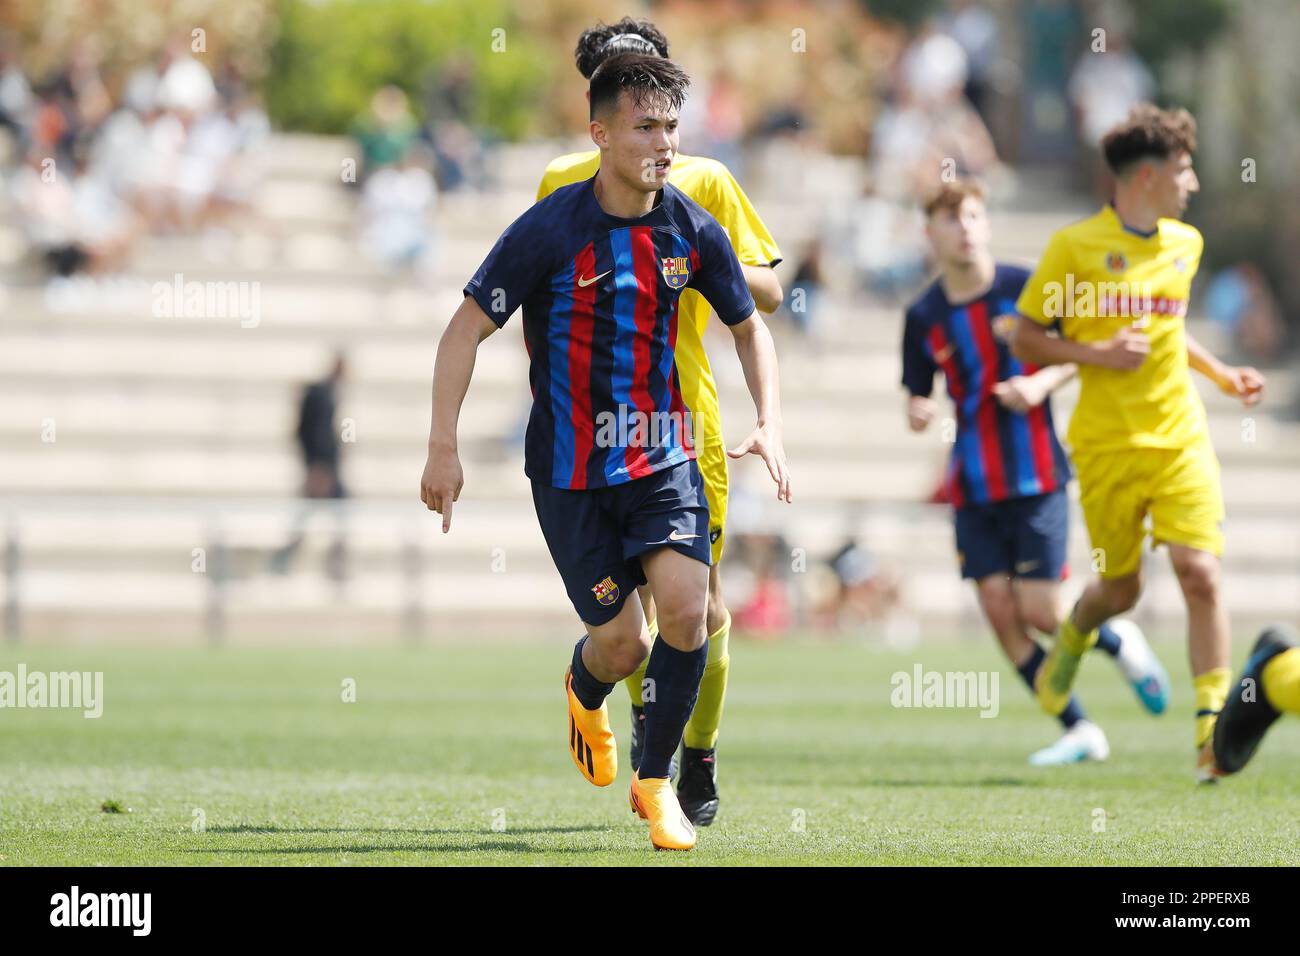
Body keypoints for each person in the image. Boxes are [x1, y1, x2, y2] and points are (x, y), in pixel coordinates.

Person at [419, 54, 791, 851]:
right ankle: (585, 687)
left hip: (663, 457)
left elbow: (748, 321)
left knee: (691, 609)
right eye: (644, 128)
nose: (663, 144)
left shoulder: (692, 225)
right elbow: (463, 330)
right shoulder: (549, 229)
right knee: (624, 644)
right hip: (572, 472)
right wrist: (442, 447)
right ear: (600, 134)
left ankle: (656, 784)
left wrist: (771, 420)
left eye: (671, 127)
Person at [534, 17, 784, 826]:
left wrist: (701, 259)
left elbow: (766, 296)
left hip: (685, 423)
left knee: (699, 607)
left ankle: (697, 752)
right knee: (635, 618)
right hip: (596, 428)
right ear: (599, 103)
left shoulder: (702, 180)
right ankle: (659, 749)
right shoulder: (558, 180)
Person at [1012, 105, 1266, 780]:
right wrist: (1093, 350)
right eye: (1184, 170)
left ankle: (1213, 733)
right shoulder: (1075, 248)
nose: (1194, 184)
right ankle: (1073, 640)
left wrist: (1220, 373)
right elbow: (1026, 335)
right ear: (1149, 175)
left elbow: (1168, 330)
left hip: (1180, 438)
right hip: (1106, 447)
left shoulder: (1186, 244)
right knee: (1118, 591)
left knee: (1200, 573)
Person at [903, 180, 1169, 765]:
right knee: (1002, 617)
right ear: (931, 234)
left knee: (1043, 612)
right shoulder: (922, 315)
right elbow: (917, 397)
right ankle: (1079, 729)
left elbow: (1080, 355)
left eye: (973, 215)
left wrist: (1038, 381)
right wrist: (918, 411)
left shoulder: (1025, 288)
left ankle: (1121, 640)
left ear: (987, 223)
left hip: (1036, 474)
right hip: (973, 484)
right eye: (951, 219)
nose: (965, 227)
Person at [271, 354, 349, 581]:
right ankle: (285, 562)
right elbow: (312, 435)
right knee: (314, 518)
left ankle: (333, 567)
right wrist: (317, 467)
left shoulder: (323, 393)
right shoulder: (320, 395)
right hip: (322, 472)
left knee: (323, 518)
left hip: (325, 471)